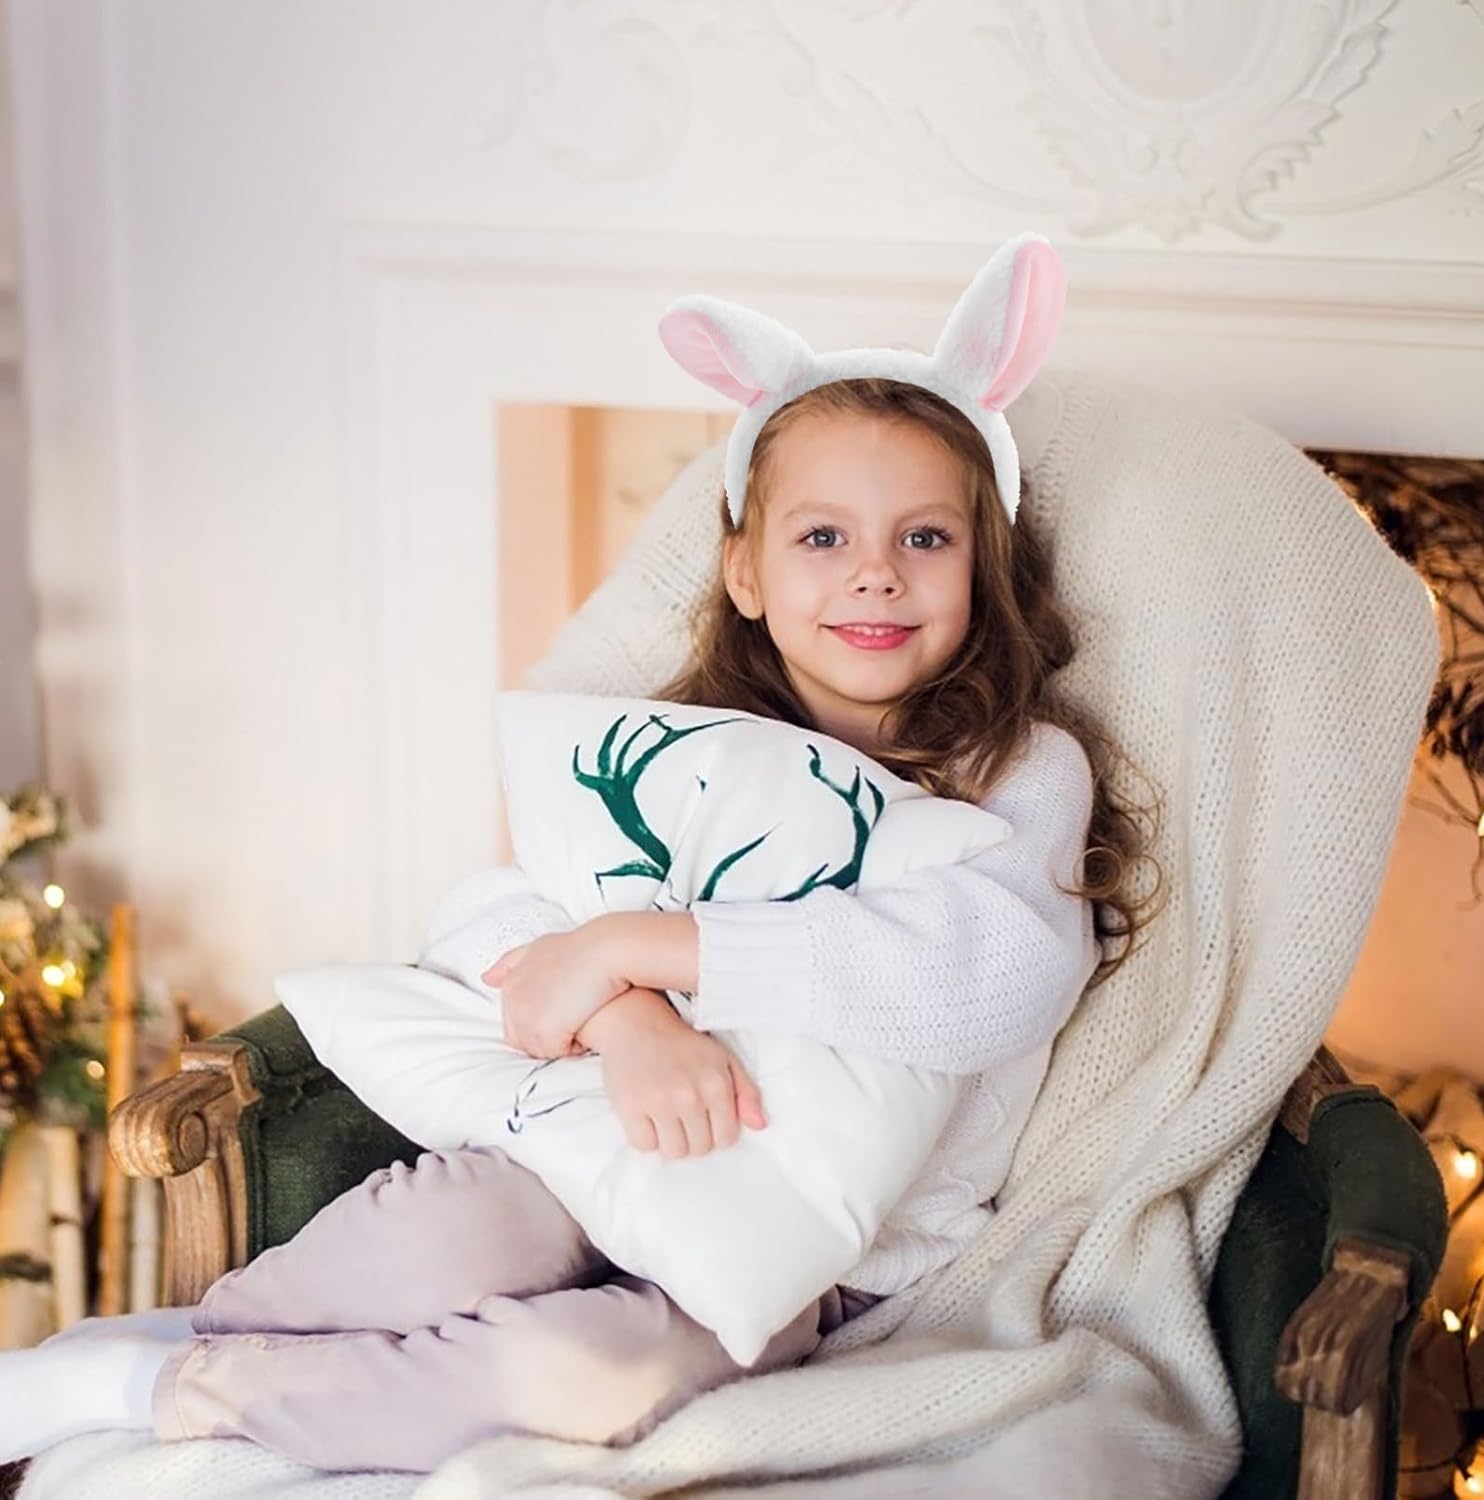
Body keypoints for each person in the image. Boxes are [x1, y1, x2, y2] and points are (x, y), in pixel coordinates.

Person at [0, 233, 1156, 1473]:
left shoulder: (1015, 770)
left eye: (925, 539)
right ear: (746, 572)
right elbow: (491, 917)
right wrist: (626, 1013)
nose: (875, 575)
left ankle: (167, 1387)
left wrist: (638, 945)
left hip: (812, 1253)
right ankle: (190, 1341)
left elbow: (990, 975)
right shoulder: (677, 749)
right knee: (439, 1241)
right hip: (589, 1143)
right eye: (823, 538)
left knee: (587, 1378)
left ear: (985, 564)